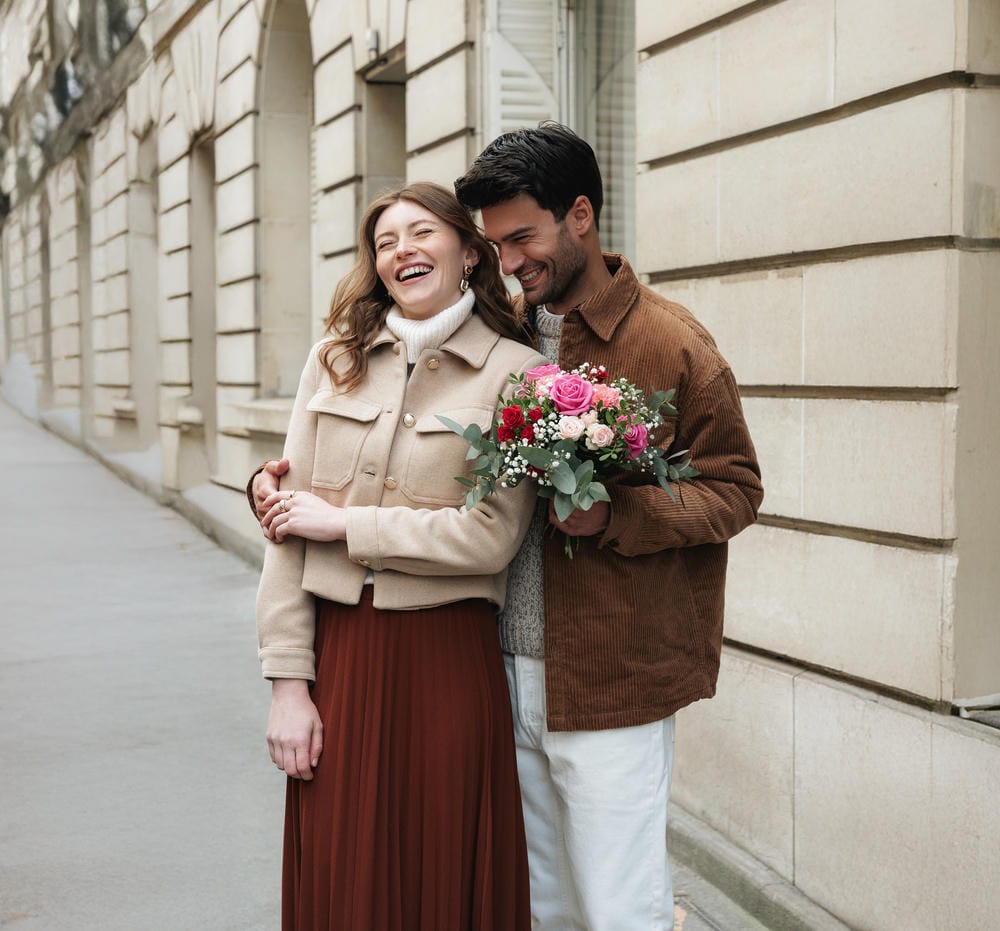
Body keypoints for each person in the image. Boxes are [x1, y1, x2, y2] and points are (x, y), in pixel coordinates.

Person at [253, 126, 763, 930]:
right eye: (496, 244)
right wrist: (275, 488)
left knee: (620, 904)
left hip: (608, 670)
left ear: (581, 216)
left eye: (523, 237)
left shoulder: (669, 339)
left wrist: (618, 513)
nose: (511, 260)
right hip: (495, 667)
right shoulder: (511, 335)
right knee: (538, 905)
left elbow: (735, 487)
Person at [253, 182, 543, 931]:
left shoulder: (517, 371)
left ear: (469, 252)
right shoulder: (334, 360)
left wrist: (347, 525)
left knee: (440, 871)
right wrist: (289, 684)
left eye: (421, 233)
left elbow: (489, 536)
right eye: (384, 241)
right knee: (345, 872)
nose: (401, 251)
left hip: (448, 662)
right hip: (343, 655)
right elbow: (287, 525)